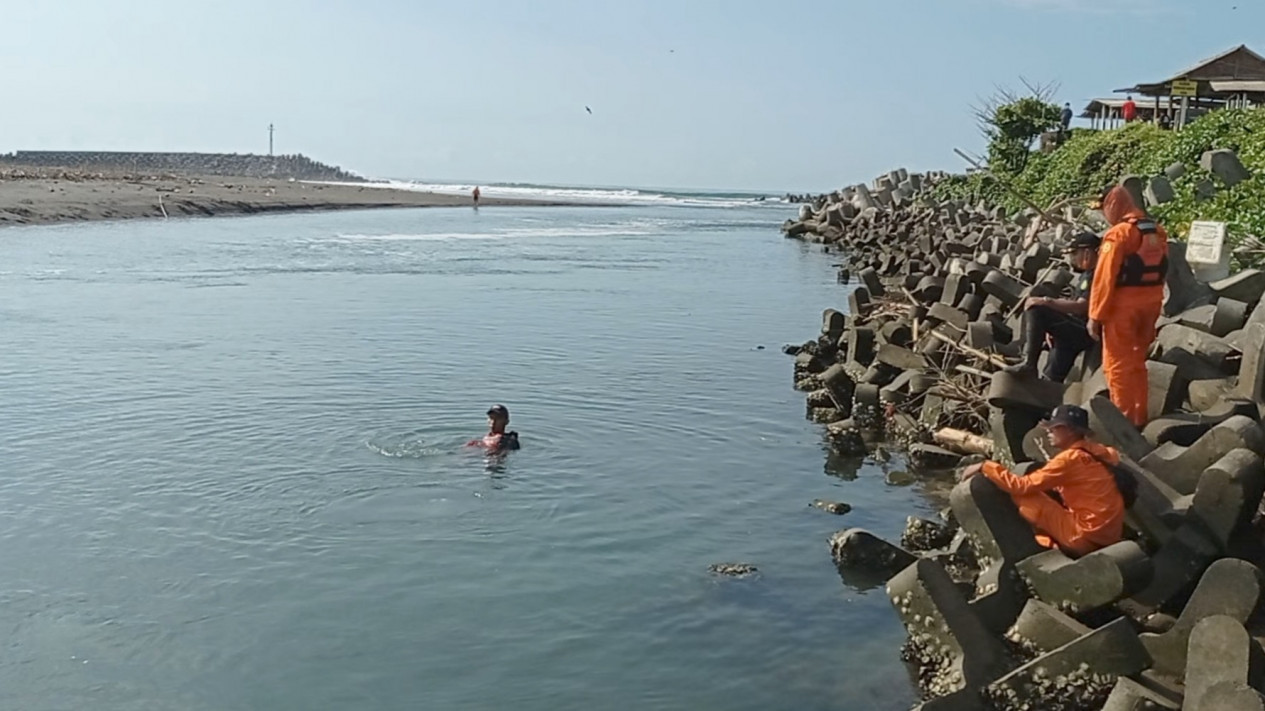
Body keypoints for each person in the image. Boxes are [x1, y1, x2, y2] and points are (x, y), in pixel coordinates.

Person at [961, 405, 1125, 557]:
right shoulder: (1100, 451)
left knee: (1024, 497)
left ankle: (1034, 545)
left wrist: (987, 466)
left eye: (1053, 428)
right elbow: (1113, 458)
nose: (1048, 431)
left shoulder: (1068, 460)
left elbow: (1020, 486)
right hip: (1110, 535)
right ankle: (1048, 538)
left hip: (1085, 538)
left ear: (1069, 431)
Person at [1088, 186, 1168, 427]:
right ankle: (1139, 416)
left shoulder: (1118, 235)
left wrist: (1095, 315)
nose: (1103, 214)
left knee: (1117, 365)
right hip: (1151, 304)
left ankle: (1124, 423)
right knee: (1137, 362)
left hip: (1123, 308)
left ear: (1112, 205)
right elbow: (1162, 269)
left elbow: (1104, 279)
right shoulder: (1157, 231)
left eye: (1103, 208)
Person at [1003, 232, 1100, 382]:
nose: (1072, 259)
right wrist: (1052, 325)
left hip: (1087, 331)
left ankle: (1029, 364)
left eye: (1074, 253)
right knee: (1050, 380)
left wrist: (1047, 302)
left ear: (1087, 253)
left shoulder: (1098, 274)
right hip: (1076, 329)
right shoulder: (1087, 274)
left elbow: (1081, 306)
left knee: (1036, 308)